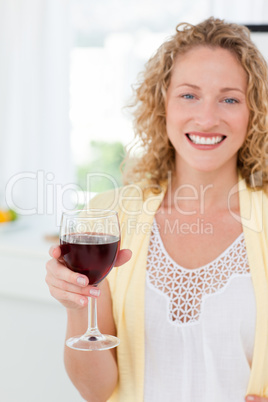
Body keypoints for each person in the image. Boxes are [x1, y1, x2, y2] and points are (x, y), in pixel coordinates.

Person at [46, 17, 268, 402]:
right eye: (189, 95)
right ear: (161, 103)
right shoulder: (109, 219)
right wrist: (77, 306)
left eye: (229, 98)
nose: (207, 117)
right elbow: (95, 390)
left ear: (254, 113)